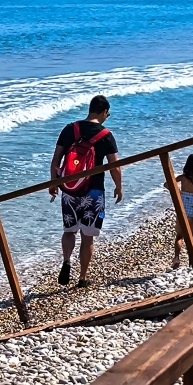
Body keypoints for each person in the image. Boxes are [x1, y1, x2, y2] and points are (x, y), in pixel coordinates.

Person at [49, 95, 123, 288]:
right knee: (87, 236)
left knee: (69, 230)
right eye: (108, 113)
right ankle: (82, 278)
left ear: (90, 109)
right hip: (94, 191)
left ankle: (66, 261)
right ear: (104, 112)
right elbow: (115, 166)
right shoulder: (105, 135)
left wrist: (53, 183)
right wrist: (119, 187)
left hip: (69, 189)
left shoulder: (70, 129)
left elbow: (56, 160)